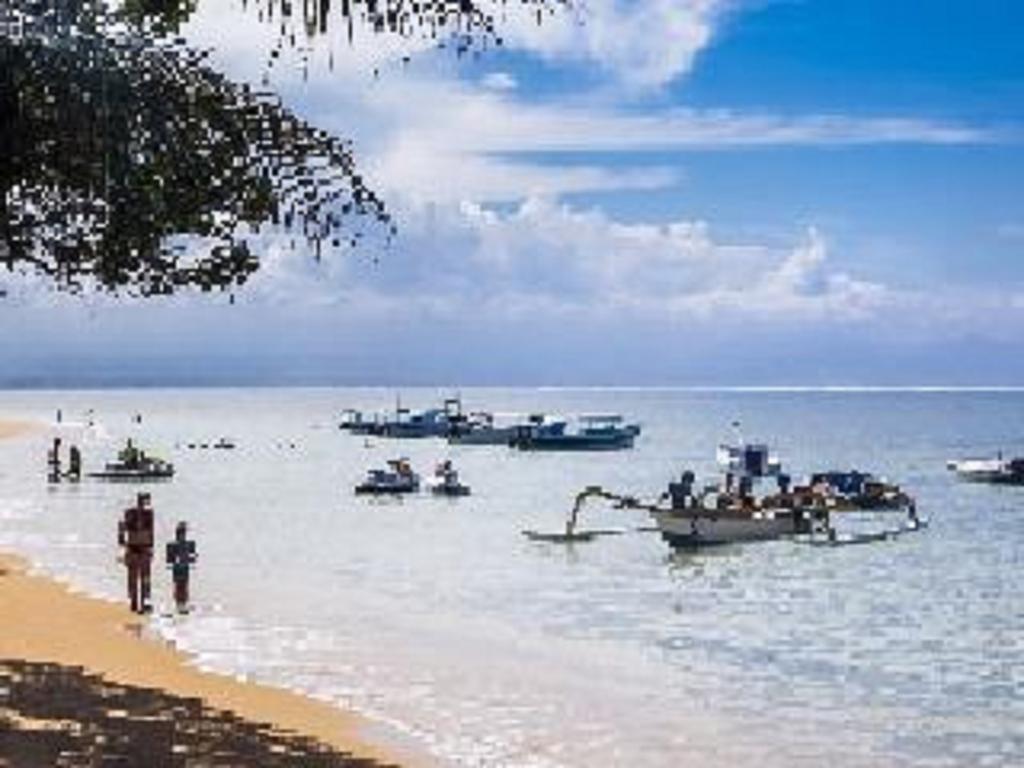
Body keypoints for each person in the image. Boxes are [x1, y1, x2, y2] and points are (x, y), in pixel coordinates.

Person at [118, 493, 155, 613]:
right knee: (135, 578)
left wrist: (150, 548)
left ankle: (142, 602)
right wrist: (122, 539)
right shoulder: (132, 514)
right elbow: (122, 529)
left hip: (142, 548)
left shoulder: (147, 514)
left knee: (144, 578)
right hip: (135, 548)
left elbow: (151, 533)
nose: (144, 504)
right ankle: (135, 602)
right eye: (144, 501)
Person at [166, 522, 198, 614]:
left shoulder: (188, 544)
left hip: (182, 567)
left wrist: (189, 559)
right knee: (180, 586)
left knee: (183, 586)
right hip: (179, 568)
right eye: (181, 533)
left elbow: (194, 557)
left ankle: (181, 606)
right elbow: (169, 559)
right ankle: (180, 606)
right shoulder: (176, 545)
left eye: (183, 533)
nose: (182, 535)